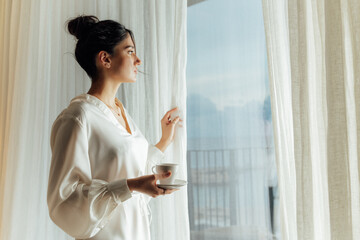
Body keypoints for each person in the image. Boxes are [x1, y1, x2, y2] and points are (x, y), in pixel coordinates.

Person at [47, 15, 182, 240]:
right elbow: (63, 202)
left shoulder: (120, 111)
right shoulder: (78, 117)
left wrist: (164, 141)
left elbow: (132, 169)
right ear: (105, 59)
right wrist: (130, 186)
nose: (138, 60)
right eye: (130, 51)